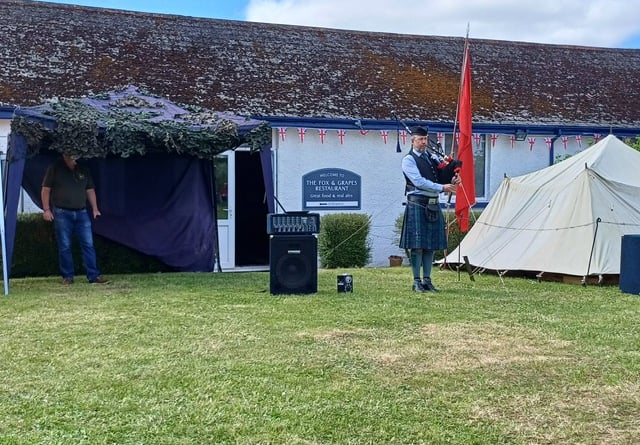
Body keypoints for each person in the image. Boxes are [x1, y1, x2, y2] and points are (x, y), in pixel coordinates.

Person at [399, 126, 459, 292]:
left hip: (432, 203)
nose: (423, 142)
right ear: (413, 141)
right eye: (420, 139)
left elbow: (442, 176)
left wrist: (453, 179)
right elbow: (418, 182)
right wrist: (442, 188)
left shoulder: (432, 158)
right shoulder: (408, 160)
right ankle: (416, 281)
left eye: (425, 139)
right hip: (418, 202)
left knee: (430, 244)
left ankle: (427, 280)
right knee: (417, 245)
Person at [41, 152, 109, 285]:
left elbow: (90, 190)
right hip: (61, 212)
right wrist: (46, 209)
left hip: (82, 212)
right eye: (71, 154)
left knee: (88, 244)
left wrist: (95, 208)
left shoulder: (84, 169)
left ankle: (93, 276)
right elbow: (45, 189)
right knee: (65, 245)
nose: (74, 157)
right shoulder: (55, 167)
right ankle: (68, 277)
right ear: (65, 154)